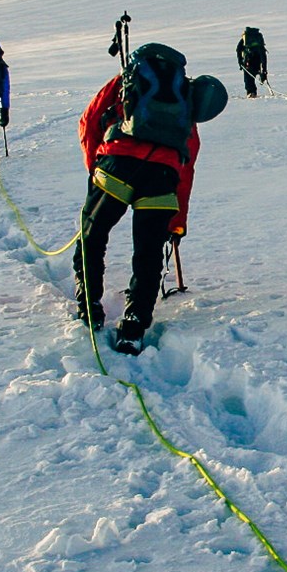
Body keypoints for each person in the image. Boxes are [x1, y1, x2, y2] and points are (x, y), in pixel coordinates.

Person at [72, 43, 226, 355]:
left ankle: (89, 307)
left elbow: (88, 122)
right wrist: (177, 220)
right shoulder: (184, 100)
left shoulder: (125, 82)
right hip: (162, 175)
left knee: (93, 234)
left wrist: (95, 167)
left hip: (116, 164)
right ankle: (134, 324)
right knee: (148, 252)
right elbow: (187, 164)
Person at [236, 27, 268, 98]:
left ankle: (251, 93)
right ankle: (253, 93)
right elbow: (263, 55)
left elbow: (238, 49)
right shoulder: (259, 40)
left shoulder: (244, 40)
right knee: (253, 74)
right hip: (258, 60)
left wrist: (240, 62)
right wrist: (264, 70)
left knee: (248, 78)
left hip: (248, 61)